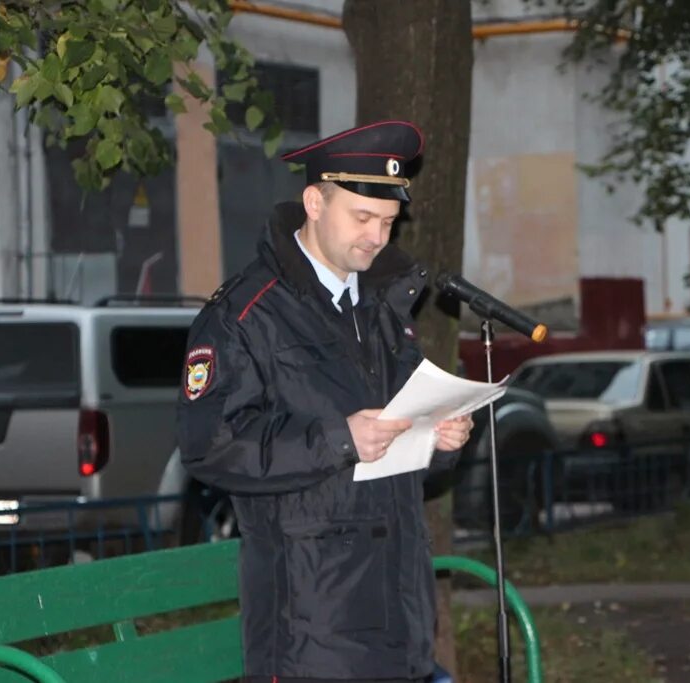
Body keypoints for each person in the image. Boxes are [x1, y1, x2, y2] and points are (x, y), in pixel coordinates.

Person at [176, 120, 474, 682]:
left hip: (400, 616)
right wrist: (341, 439)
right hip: (311, 632)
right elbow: (209, 446)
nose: (376, 237)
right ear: (314, 201)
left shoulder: (384, 309)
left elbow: (406, 448)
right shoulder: (245, 315)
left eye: (387, 221)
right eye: (361, 217)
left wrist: (440, 440)